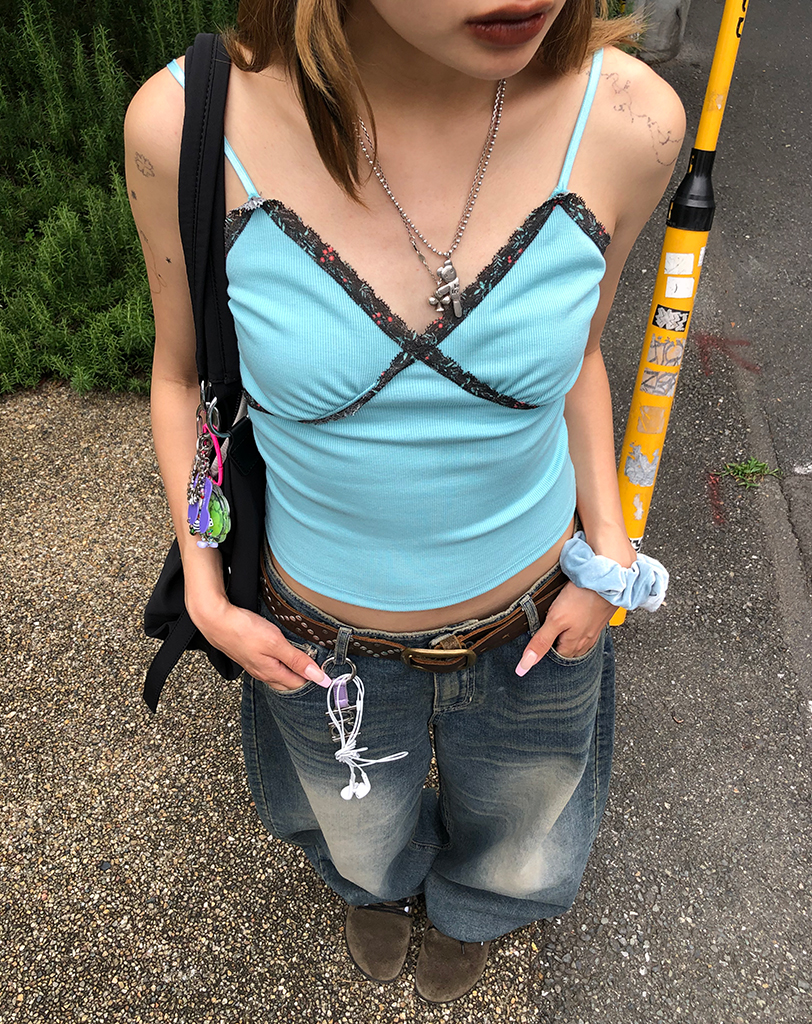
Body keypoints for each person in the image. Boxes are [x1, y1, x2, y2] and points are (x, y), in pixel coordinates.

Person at [125, 0, 684, 1003]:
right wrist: (205, 595)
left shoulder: (629, 119)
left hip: (537, 620)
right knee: (357, 831)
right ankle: (375, 889)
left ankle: (479, 909)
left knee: (522, 837)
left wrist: (607, 553)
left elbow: (581, 357)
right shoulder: (186, 125)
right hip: (315, 639)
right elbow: (181, 379)